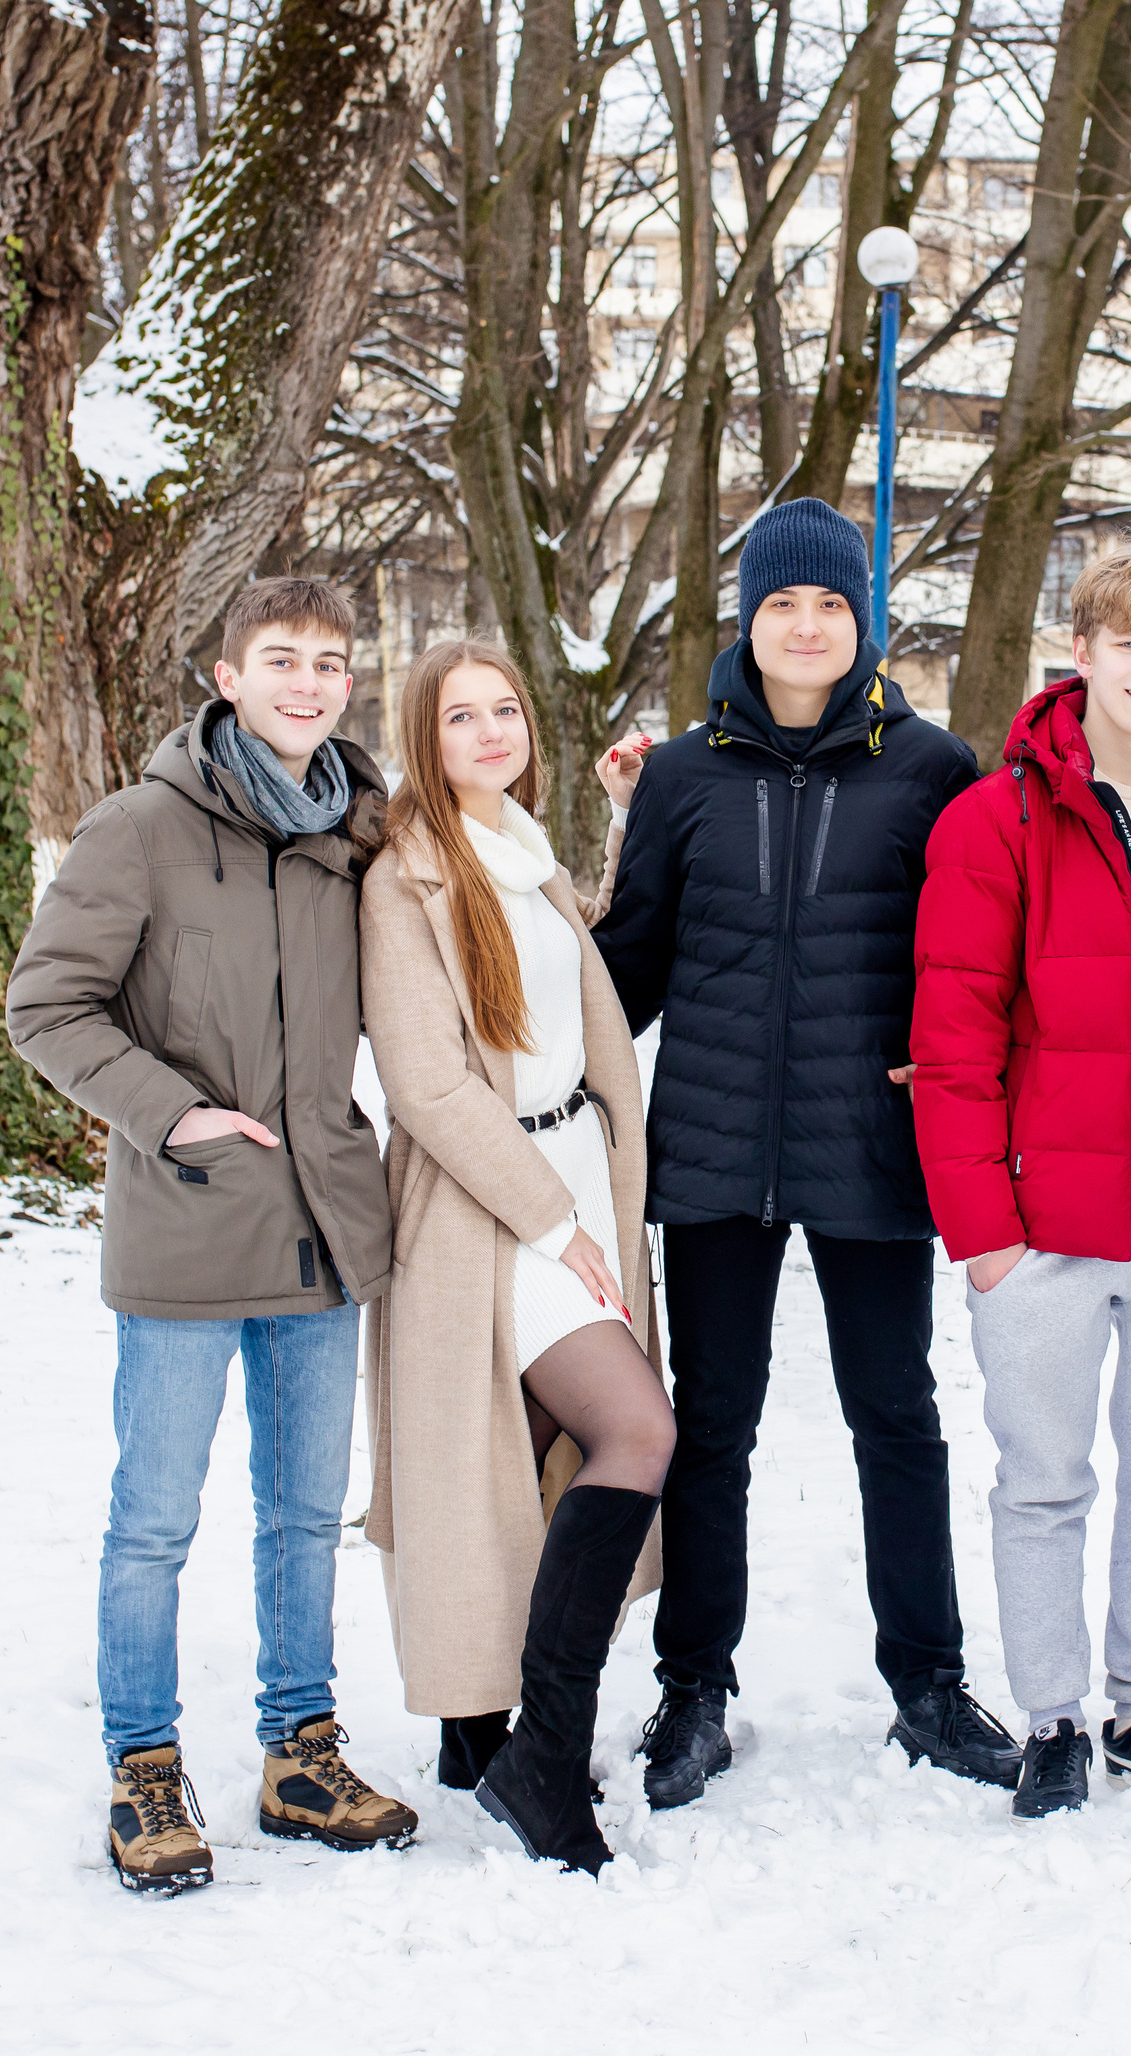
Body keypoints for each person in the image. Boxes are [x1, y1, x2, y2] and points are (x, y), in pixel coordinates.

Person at [589, 497, 1018, 1807]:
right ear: (750, 617)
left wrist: (961, 1070)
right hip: (716, 1143)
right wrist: (517, 984)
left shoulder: (930, 767)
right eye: (785, 603)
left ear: (862, 623)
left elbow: (970, 951)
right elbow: (631, 966)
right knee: (711, 1425)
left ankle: (930, 1685)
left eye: (833, 605)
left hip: (870, 1142)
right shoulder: (679, 776)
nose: (808, 625)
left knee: (896, 1413)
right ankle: (695, 1687)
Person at [6, 576, 415, 1895]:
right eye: (282, 658)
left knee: (303, 1518)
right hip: (185, 1231)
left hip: (322, 1229)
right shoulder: (140, 830)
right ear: (226, 676)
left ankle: (301, 1754)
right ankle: (144, 1768)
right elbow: (49, 1009)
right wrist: (172, 1116)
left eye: (333, 661)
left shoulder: (366, 834)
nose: (312, 681)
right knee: (155, 1523)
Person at [911, 544, 1131, 1821]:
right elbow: (949, 1041)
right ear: (1083, 652)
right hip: (1042, 1214)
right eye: (1130, 645)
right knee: (1043, 1477)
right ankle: (1053, 1716)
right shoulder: (998, 816)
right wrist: (983, 1231)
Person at [358, 636, 673, 1877]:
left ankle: (486, 1734)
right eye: (459, 718)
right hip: (494, 1212)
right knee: (634, 1432)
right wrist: (556, 1221)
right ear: (423, 743)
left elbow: (564, 1004)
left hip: (576, 1177)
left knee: (541, 1458)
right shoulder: (407, 880)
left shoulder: (528, 860)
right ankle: (543, 1751)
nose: (491, 732)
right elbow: (429, 1083)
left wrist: (629, 821)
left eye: (505, 710)